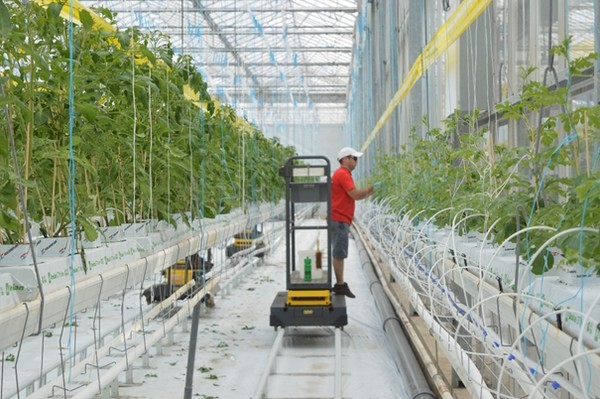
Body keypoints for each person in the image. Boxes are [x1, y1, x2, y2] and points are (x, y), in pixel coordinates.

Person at [330, 147, 375, 298]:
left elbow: (345, 197)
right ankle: (340, 285)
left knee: (339, 253)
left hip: (341, 217)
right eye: (354, 158)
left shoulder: (342, 174)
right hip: (339, 219)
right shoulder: (342, 174)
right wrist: (371, 190)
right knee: (339, 253)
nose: (356, 161)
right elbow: (355, 195)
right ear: (345, 159)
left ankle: (340, 284)